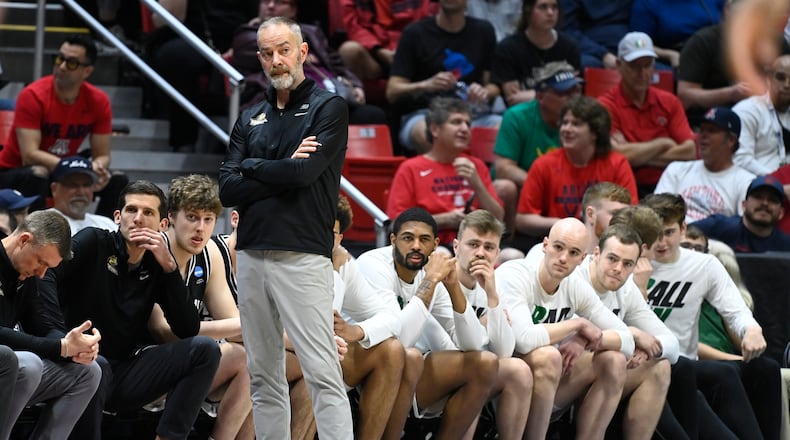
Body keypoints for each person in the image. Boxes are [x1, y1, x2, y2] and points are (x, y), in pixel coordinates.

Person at [218, 17, 353, 439]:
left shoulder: (328, 107)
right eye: (267, 53)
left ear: (303, 52)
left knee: (322, 373)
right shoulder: (249, 116)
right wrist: (280, 166)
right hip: (252, 255)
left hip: (303, 255)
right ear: (258, 58)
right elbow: (226, 188)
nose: (277, 61)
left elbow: (304, 174)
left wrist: (253, 168)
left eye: (284, 50)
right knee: (263, 374)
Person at [37, 180, 222, 440]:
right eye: (131, 210)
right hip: (75, 363)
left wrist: (169, 267)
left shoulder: (159, 265)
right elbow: (45, 276)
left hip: (124, 372)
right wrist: (58, 336)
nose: (138, 219)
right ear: (117, 217)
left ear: (162, 224)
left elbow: (187, 328)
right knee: (95, 365)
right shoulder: (94, 241)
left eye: (148, 213)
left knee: (205, 349)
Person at [641, 192, 782, 439]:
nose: (661, 242)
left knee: (766, 369)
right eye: (655, 233)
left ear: (683, 229)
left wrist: (751, 329)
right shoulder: (632, 262)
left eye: (669, 232)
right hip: (657, 362)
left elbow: (734, 308)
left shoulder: (703, 264)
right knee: (723, 374)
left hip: (689, 360)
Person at [356, 208, 500, 439]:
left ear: (435, 244)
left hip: (407, 369)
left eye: (424, 240)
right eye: (407, 238)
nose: (416, 246)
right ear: (393, 240)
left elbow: (473, 344)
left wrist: (453, 287)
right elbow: (398, 340)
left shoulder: (429, 271)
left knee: (486, 363)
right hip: (363, 364)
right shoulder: (373, 264)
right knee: (409, 357)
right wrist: (432, 280)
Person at [496, 217, 634, 439]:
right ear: (545, 245)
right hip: (500, 378)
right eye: (558, 247)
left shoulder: (575, 286)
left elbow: (627, 339)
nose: (563, 258)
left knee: (614, 360)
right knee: (549, 355)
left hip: (546, 383)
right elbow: (523, 340)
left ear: (582, 258)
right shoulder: (515, 274)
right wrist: (578, 324)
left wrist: (581, 340)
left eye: (573, 253)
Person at [145, 174, 252, 440]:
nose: (200, 229)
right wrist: (247, 325)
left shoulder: (209, 253)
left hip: (187, 365)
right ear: (169, 218)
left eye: (208, 220)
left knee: (253, 358)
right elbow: (163, 332)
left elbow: (232, 322)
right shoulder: (154, 252)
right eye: (192, 217)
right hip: (140, 364)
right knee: (227, 351)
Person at [0, 210, 101, 440]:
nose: (42, 274)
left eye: (49, 268)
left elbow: (41, 325)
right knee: (28, 362)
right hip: (8, 364)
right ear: (24, 240)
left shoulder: (26, 275)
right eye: (41, 263)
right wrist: (59, 348)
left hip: (12, 371)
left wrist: (75, 344)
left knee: (89, 371)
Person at [0, 34, 125, 216]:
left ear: (87, 71)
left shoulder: (99, 101)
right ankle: (36, 235)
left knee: (118, 180)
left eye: (72, 63)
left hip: (63, 169)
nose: (62, 67)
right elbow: (29, 155)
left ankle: (105, 237)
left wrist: (97, 167)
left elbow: (103, 154)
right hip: (15, 172)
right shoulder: (33, 95)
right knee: (38, 173)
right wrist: (74, 167)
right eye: (59, 59)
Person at [576, 224, 679, 439]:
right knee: (614, 359)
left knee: (660, 367)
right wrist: (631, 335)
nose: (618, 269)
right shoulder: (575, 277)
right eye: (612, 259)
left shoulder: (626, 288)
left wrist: (648, 349)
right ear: (596, 253)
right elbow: (583, 337)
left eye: (627, 264)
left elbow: (673, 345)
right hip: (563, 370)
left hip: (601, 378)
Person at [445, 209, 532, 439]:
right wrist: (483, 325)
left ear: (497, 253)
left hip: (474, 368)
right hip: (435, 372)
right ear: (456, 246)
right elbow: (458, 345)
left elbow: (504, 352)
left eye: (489, 247)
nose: (480, 253)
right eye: (473, 244)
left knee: (519, 370)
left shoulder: (492, 286)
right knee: (480, 367)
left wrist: (492, 297)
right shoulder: (443, 280)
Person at [325, 195, 407, 439]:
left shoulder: (343, 263)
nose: (321, 237)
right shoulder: (288, 258)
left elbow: (393, 318)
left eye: (331, 233)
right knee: (319, 360)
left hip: (330, 353)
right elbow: (320, 324)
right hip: (287, 350)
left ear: (339, 239)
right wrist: (335, 268)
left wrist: (356, 331)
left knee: (393, 350)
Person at [229, 0, 387, 124]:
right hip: (284, 101)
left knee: (372, 115)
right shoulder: (247, 35)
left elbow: (336, 64)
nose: (270, 6)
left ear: (293, 9)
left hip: (329, 97)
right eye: (265, 1)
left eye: (279, 2)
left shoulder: (312, 32)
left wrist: (355, 84)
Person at [386, 0, 501, 154]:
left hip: (472, 114)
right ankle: (444, 177)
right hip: (425, 114)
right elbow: (392, 91)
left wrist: (483, 91)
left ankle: (482, 177)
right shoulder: (414, 33)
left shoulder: (483, 31)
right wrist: (426, 84)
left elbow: (494, 85)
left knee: (503, 130)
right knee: (424, 133)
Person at [386, 97, 506, 245]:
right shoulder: (411, 168)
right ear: (435, 129)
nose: (465, 129)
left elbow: (498, 218)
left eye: (468, 123)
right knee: (442, 255)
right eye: (456, 122)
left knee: (512, 255)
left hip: (476, 245)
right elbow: (396, 224)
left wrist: (478, 185)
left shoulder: (476, 166)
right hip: (432, 246)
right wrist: (444, 220)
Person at [516, 96, 637, 239]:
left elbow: (630, 213)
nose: (566, 129)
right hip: (557, 240)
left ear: (595, 132)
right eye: (565, 123)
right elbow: (523, 219)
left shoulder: (617, 164)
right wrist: (564, 224)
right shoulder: (543, 164)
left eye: (576, 124)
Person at [147, 0, 257, 152]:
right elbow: (161, 20)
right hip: (198, 40)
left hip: (246, 37)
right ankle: (184, 141)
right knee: (176, 56)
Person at [598, 32, 696, 197]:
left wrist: (635, 155)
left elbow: (690, 151)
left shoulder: (669, 101)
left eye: (647, 65)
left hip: (672, 185)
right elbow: (617, 155)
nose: (642, 73)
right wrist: (664, 143)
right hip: (624, 187)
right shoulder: (605, 105)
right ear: (619, 65)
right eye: (634, 66)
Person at [493, 62, 582, 194]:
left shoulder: (586, 117)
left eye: (575, 91)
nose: (572, 99)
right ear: (540, 97)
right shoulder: (517, 117)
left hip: (567, 186)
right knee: (504, 188)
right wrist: (543, 186)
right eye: (563, 93)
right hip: (528, 186)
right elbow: (504, 168)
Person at [655, 106, 755, 223]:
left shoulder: (745, 182)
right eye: (701, 130)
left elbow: (742, 229)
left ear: (731, 141)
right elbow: (657, 213)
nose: (702, 136)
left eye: (712, 130)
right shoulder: (676, 169)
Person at [491, 0, 581, 107]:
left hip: (560, 113)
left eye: (554, 7)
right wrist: (556, 94)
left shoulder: (569, 46)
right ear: (528, 12)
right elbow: (513, 98)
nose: (550, 13)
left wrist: (535, 95)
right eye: (543, 7)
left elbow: (575, 93)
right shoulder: (508, 48)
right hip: (525, 115)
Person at [677, 1, 751, 127]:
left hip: (764, 116)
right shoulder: (702, 42)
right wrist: (730, 93)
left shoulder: (774, 43)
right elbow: (685, 94)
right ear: (727, 10)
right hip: (713, 121)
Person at [337, 0, 436, 82]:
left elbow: (426, 20)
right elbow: (354, 27)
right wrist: (379, 51)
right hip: (374, 54)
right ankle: (355, 100)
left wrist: (405, 50)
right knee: (349, 51)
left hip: (412, 51)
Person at [693, 174, 790, 252]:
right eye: (758, 197)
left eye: (772, 200)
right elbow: (683, 233)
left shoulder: (786, 246)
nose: (765, 203)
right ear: (744, 205)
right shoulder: (718, 226)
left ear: (781, 212)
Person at [732, 55, 790, 175]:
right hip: (757, 185)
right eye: (780, 78)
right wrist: (776, 182)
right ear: (768, 79)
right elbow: (740, 160)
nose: (787, 85)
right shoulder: (747, 110)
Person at [629, 0, 726, 68]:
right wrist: (668, 55)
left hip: (714, 51)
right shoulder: (648, 3)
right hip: (677, 56)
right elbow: (638, 44)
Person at [48, 156, 117, 235]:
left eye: (86, 185)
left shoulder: (106, 224)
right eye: (72, 185)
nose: (81, 192)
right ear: (54, 189)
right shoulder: (44, 224)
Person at [557, 0, 631, 70]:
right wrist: (603, 55)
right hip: (592, 51)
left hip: (631, 45)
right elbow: (568, 32)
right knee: (588, 64)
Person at [579, 182, 632, 253]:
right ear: (590, 214)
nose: (623, 219)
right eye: (615, 213)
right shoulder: (566, 259)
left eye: (626, 214)